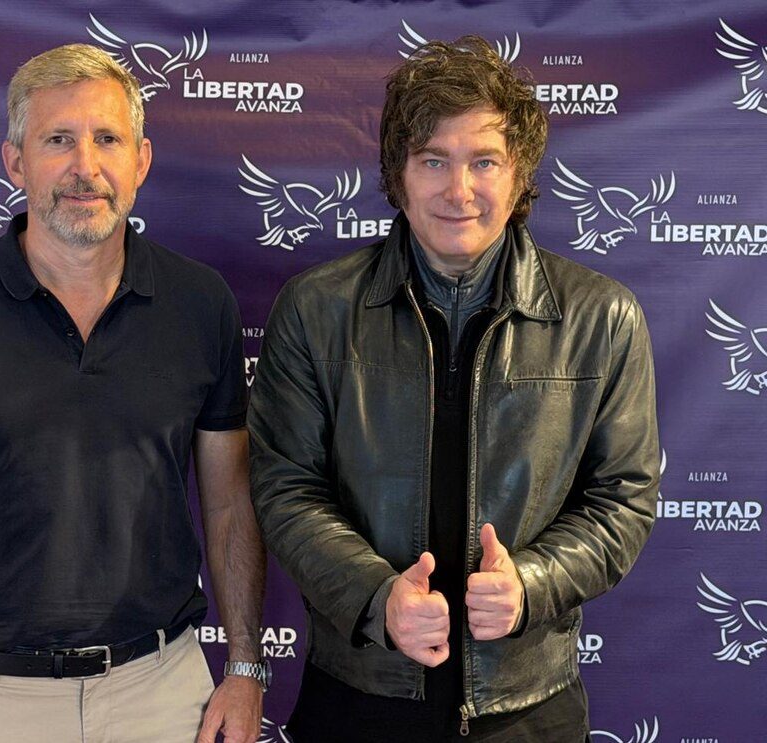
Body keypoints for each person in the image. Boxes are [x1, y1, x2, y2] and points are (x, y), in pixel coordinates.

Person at [249, 36, 659, 742]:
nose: (458, 190)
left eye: (484, 161)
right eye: (433, 160)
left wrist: (531, 584)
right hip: (357, 695)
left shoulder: (603, 317)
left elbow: (622, 499)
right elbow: (286, 487)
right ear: (398, 174)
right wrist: (379, 598)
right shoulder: (316, 309)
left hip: (530, 708)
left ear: (520, 173)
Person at [0, 43, 267, 743]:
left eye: (107, 139)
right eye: (58, 140)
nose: (86, 166)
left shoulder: (202, 303)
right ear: (15, 162)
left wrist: (246, 666)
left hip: (164, 694)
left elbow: (230, 502)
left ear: (140, 160)